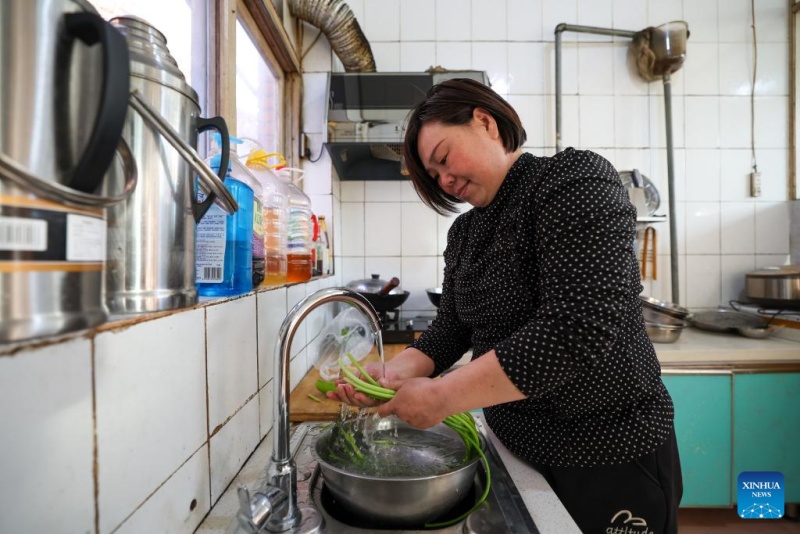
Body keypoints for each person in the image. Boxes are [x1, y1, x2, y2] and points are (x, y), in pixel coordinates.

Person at [329, 78, 682, 534]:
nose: (446, 180)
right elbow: (452, 328)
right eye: (434, 176)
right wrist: (395, 373)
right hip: (517, 452)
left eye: (443, 158)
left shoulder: (574, 180)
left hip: (609, 452)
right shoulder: (465, 234)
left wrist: (441, 396)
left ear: (485, 122)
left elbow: (577, 328)